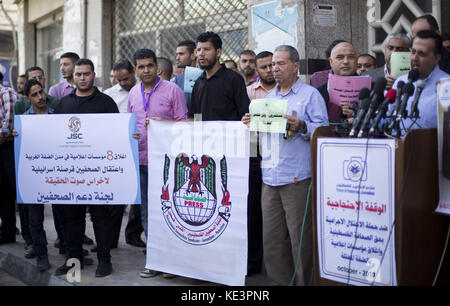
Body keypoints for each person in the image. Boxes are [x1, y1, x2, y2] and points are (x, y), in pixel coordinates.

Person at [242, 45, 328, 286]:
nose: (274, 69)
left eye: (280, 63)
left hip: (297, 178)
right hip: (269, 177)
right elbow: (259, 140)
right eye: (271, 65)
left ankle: (304, 283)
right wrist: (249, 125)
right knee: (272, 241)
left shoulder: (310, 95)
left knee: (301, 241)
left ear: (295, 66)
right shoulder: (268, 99)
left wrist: (302, 126)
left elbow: (324, 132)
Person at [54, 59, 119, 278]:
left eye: (86, 74)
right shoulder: (63, 105)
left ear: (94, 75)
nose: (82, 78)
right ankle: (74, 262)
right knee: (72, 220)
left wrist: (130, 135)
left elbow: (116, 134)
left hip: (99, 174)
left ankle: (104, 261)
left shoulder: (106, 103)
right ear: (73, 77)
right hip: (71, 174)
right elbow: (52, 136)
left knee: (101, 219)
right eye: (78, 74)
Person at [127, 49, 187, 279]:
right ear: (136, 70)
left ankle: (172, 262)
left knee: (170, 211)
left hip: (167, 163)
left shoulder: (173, 91)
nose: (146, 70)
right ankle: (155, 260)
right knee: (147, 214)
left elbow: (184, 125)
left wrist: (165, 124)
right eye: (141, 67)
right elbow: (130, 125)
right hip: (142, 161)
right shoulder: (133, 93)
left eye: (149, 65)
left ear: (157, 67)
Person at [103, 59, 144, 249]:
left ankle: (133, 234)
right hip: (117, 151)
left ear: (133, 73)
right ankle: (109, 239)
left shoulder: (144, 91)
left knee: (140, 196)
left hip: (142, 148)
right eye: (119, 80)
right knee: (116, 198)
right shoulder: (108, 96)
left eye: (126, 79)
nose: (123, 83)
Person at [17, 79, 55, 272]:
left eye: (41, 92)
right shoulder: (23, 121)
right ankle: (41, 255)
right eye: (35, 95)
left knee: (63, 216)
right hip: (34, 176)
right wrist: (18, 136)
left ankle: (68, 249)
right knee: (35, 218)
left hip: (59, 174)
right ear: (27, 98)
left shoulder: (57, 116)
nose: (41, 97)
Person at [245, 51, 276, 276]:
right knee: (254, 211)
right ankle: (254, 263)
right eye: (263, 67)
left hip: (281, 156)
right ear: (257, 70)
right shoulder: (248, 92)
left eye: (271, 65)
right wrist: (244, 119)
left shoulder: (286, 92)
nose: (268, 70)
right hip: (255, 155)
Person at [391, 30, 450, 135]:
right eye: (413, 52)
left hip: (432, 148)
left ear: (437, 58)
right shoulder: (400, 82)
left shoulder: (446, 84)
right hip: (398, 148)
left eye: (421, 54)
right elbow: (387, 117)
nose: (414, 58)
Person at [189, 32, 249, 121]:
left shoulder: (234, 79)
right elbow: (196, 115)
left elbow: (244, 114)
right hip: (203, 134)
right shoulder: (198, 82)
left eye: (206, 49)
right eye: (198, 50)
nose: (201, 54)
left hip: (229, 134)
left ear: (218, 52)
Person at [317, 42, 359, 122]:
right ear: (331, 62)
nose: (346, 61)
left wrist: (357, 115)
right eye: (340, 57)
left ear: (356, 61)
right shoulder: (318, 93)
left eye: (351, 57)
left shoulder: (371, 89)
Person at [0, 80, 18, 246]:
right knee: (3, 193)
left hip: (8, 147)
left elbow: (9, 123)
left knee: (14, 190)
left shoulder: (6, 93)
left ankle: (29, 238)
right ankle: (7, 231)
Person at [172, 40, 197, 109]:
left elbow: (199, 108)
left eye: (181, 54)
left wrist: (197, 120)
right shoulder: (176, 80)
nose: (177, 58)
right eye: (177, 54)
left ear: (193, 56)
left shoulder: (203, 76)